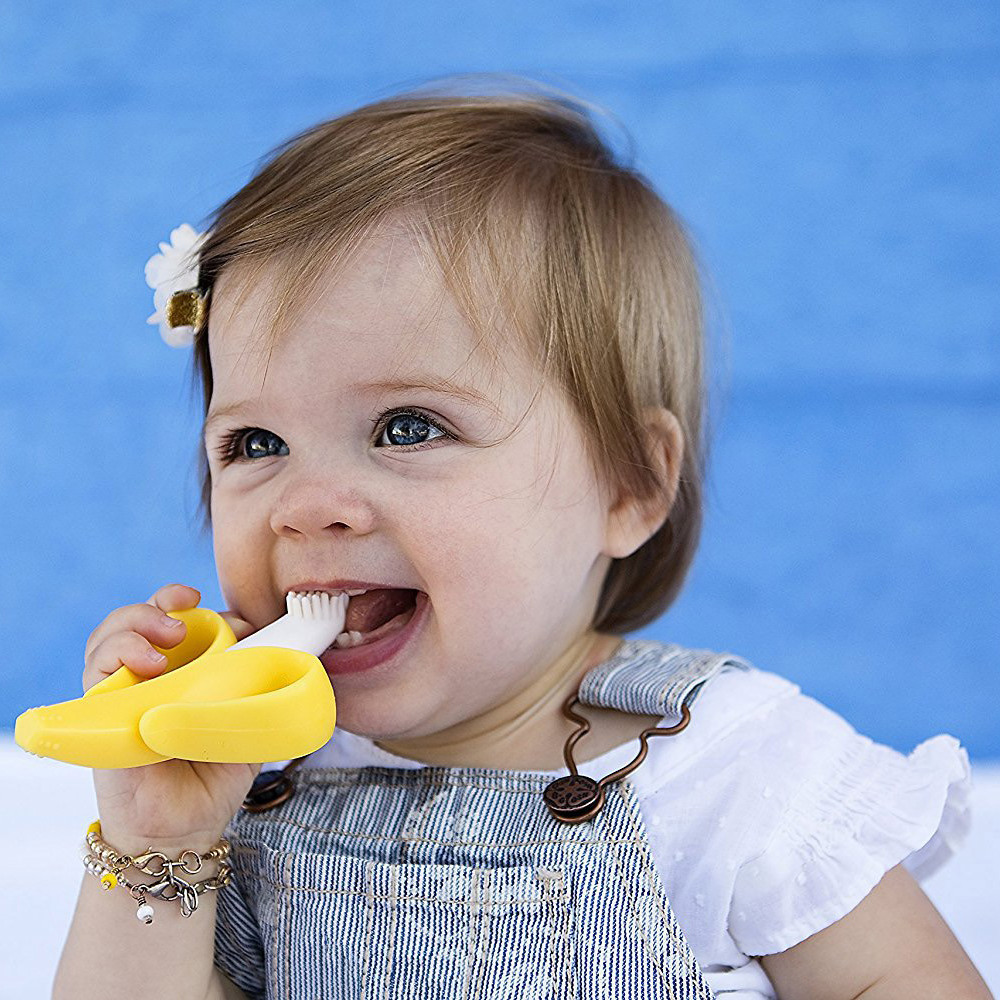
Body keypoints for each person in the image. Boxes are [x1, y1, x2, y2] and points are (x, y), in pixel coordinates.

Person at [53, 81, 991, 999]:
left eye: (409, 427)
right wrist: (159, 846)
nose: (305, 507)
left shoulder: (730, 775)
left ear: (629, 482)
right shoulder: (245, 782)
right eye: (256, 444)